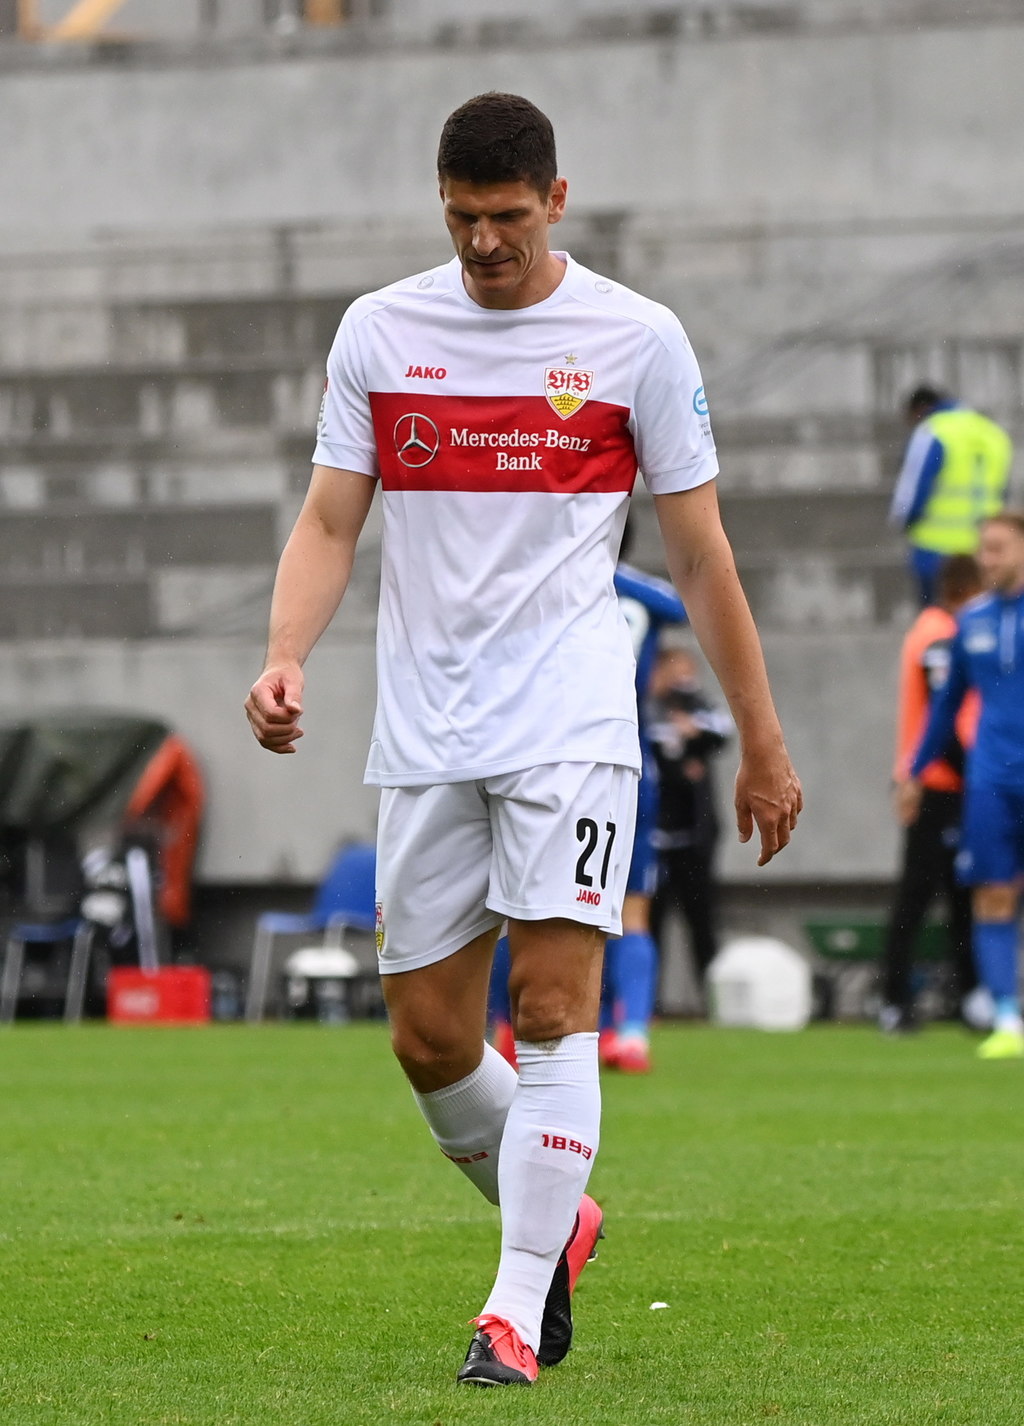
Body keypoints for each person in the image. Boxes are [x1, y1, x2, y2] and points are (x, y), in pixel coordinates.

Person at [245, 91, 802, 1388]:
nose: (484, 242)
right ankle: (562, 1216)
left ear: (555, 200)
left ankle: (511, 1309)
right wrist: (284, 653)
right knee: (429, 1038)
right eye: (461, 218)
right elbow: (329, 521)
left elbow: (701, 554)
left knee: (551, 1010)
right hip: (426, 729)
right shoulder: (381, 331)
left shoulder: (634, 338)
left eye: (505, 217)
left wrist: (763, 740)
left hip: (571, 718)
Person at [907, 513, 1024, 1059]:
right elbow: (945, 708)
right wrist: (913, 772)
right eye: (984, 549)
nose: (988, 559)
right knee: (992, 893)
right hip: (990, 781)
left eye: (998, 548)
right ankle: (1006, 1017)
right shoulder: (971, 622)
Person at [878, 555, 982, 1034]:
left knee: (959, 894)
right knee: (919, 895)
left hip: (937, 780)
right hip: (938, 783)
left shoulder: (928, 631)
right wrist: (971, 772)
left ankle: (969, 996)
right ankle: (894, 999)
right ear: (967, 590)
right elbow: (946, 716)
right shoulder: (940, 637)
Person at [647, 645, 734, 1000]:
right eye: (676, 672)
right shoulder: (647, 707)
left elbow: (722, 732)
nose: (684, 680)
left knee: (702, 921)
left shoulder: (699, 706)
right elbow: (657, 748)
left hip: (694, 836)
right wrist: (681, 763)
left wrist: (691, 730)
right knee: (649, 924)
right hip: (653, 838)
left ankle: (712, 1000)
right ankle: (648, 1003)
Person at [889, 384, 1012, 608]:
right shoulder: (992, 433)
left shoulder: (932, 431)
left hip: (935, 549)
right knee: (979, 617)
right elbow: (1002, 493)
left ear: (920, 409)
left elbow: (912, 492)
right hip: (982, 551)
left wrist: (903, 523)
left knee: (937, 620)